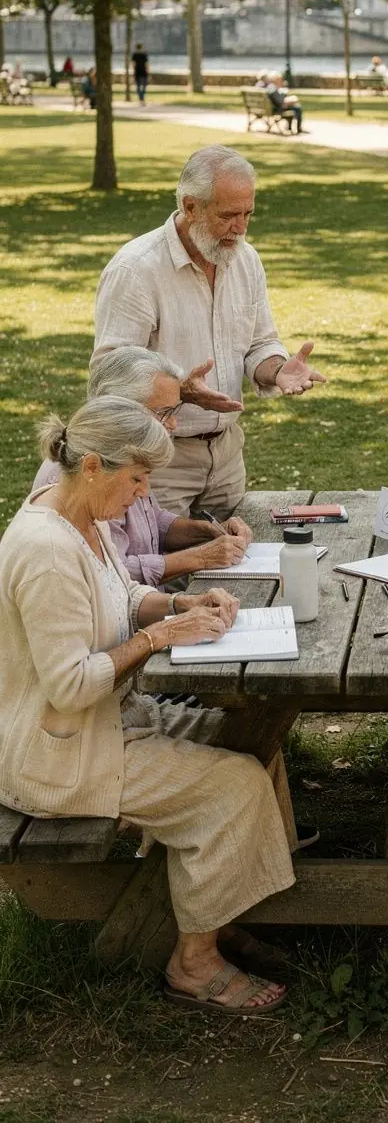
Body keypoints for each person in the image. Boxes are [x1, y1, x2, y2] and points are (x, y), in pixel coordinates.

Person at [0, 398, 297, 1015]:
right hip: (57, 753)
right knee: (234, 784)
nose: (142, 497)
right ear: (90, 465)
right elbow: (71, 686)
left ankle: (216, 910)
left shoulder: (82, 520)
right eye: (137, 479)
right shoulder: (46, 551)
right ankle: (193, 963)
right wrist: (157, 640)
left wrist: (177, 607)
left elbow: (124, 594)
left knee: (254, 746)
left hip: (109, 723)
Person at [93, 145, 326, 516]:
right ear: (190, 207)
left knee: (235, 565)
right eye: (228, 215)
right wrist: (180, 392)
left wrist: (278, 369)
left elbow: (260, 343)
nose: (241, 228)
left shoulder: (244, 258)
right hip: (158, 458)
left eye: (248, 213)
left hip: (227, 453)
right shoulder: (136, 271)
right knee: (162, 570)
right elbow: (108, 379)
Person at [31, 348, 252, 584]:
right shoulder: (91, 469)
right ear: (122, 406)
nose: (173, 424)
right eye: (163, 412)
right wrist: (202, 557)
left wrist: (208, 531)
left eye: (175, 410)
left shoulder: (126, 452)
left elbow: (153, 522)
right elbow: (114, 574)